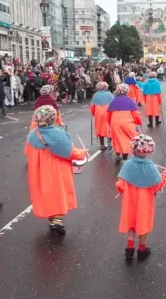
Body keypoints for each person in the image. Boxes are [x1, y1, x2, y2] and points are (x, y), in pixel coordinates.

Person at [25, 105, 87, 235]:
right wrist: (82, 153)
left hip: (39, 170)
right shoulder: (57, 133)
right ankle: (58, 221)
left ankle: (52, 219)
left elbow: (28, 152)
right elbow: (69, 152)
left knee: (46, 193)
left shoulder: (32, 135)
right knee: (59, 191)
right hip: (57, 168)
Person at [116, 134, 166, 262]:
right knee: (143, 223)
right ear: (150, 150)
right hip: (145, 203)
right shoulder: (151, 168)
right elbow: (158, 185)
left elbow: (120, 185)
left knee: (131, 222)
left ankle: (129, 248)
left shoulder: (127, 165)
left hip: (129, 202)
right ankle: (142, 249)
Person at [107, 84, 142, 165]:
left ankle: (117, 156)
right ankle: (125, 158)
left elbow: (108, 115)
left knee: (117, 139)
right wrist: (138, 122)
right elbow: (136, 114)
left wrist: (110, 123)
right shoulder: (130, 101)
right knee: (126, 140)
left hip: (115, 123)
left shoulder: (113, 101)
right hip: (127, 123)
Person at [90, 82, 114, 150]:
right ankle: (109, 143)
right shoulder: (109, 94)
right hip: (108, 112)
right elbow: (113, 104)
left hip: (98, 113)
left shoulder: (95, 95)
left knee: (100, 128)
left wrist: (93, 113)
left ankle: (102, 144)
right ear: (105, 87)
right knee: (109, 127)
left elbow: (92, 106)